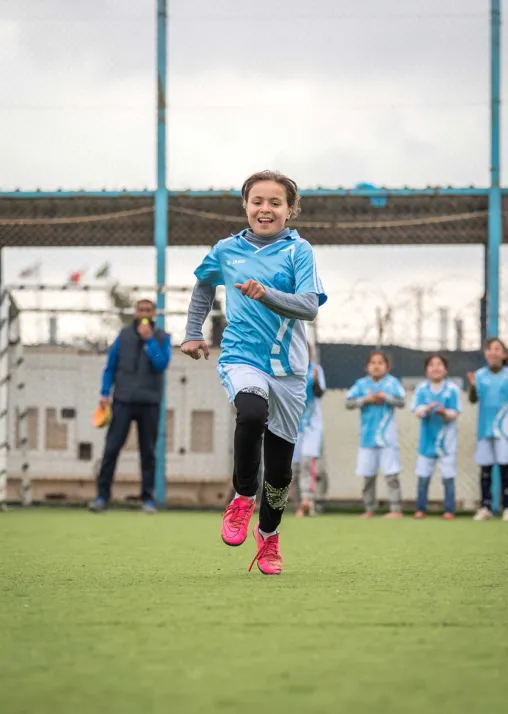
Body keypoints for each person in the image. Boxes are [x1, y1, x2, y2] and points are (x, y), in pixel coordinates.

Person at [181, 170, 327, 575]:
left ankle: (268, 536)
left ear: (290, 210)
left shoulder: (299, 252)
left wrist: (268, 294)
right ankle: (242, 497)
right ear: (245, 205)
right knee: (250, 414)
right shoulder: (226, 250)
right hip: (242, 357)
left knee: (280, 469)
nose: (265, 209)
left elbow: (310, 306)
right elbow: (203, 287)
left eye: (275, 203)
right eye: (257, 201)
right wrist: (193, 333)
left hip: (290, 371)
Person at [89, 299, 171, 514]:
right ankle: (102, 497)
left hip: (149, 403)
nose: (144, 313)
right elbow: (110, 367)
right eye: (140, 309)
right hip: (123, 401)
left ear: (153, 314)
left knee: (148, 453)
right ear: (135, 312)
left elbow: (161, 364)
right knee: (111, 449)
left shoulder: (162, 338)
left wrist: (149, 341)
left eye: (148, 310)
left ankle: (148, 500)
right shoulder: (123, 336)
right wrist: (105, 393)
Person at [345, 350, 405, 518]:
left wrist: (385, 397)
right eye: (373, 363)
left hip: (387, 439)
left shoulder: (392, 383)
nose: (376, 366)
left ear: (387, 367)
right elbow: (348, 402)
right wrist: (366, 400)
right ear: (367, 367)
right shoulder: (361, 384)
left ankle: (395, 509)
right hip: (367, 438)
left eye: (380, 363)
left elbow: (401, 401)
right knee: (368, 476)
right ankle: (369, 508)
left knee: (391, 475)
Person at [411, 355, 461, 520]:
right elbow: (416, 411)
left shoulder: (452, 389)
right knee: (423, 477)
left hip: (447, 443)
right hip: (426, 442)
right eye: (431, 365)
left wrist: (444, 413)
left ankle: (449, 510)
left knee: (448, 477)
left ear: (445, 369)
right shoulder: (421, 389)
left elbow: (455, 413)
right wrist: (426, 410)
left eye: (439, 364)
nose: (435, 368)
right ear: (426, 370)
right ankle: (420, 509)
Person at [467, 337, 508, 521]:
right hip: (484, 429)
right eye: (490, 349)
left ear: (504, 354)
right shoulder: (480, 375)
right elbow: (473, 399)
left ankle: (506, 507)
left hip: (505, 431)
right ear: (485, 354)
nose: (493, 352)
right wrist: (473, 387)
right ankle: (485, 507)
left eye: (497, 349)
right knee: (485, 470)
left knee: (505, 469)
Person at [292, 345, 326, 517]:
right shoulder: (288, 370)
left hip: (311, 427)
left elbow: (319, 393)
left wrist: (316, 381)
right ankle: (299, 504)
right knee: (294, 467)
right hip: (292, 426)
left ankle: (308, 500)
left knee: (307, 463)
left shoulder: (316, 370)